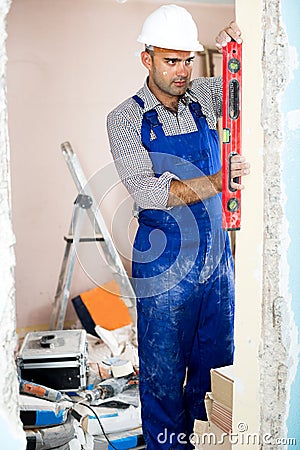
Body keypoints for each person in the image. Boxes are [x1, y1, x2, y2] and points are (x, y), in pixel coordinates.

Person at [107, 4, 249, 449]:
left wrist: (239, 44)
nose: (183, 71)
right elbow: (148, 192)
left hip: (217, 266)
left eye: (188, 59)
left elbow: (240, 82)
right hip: (165, 270)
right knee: (163, 380)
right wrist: (218, 181)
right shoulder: (125, 119)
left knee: (215, 376)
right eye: (171, 61)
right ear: (146, 59)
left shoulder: (205, 98)